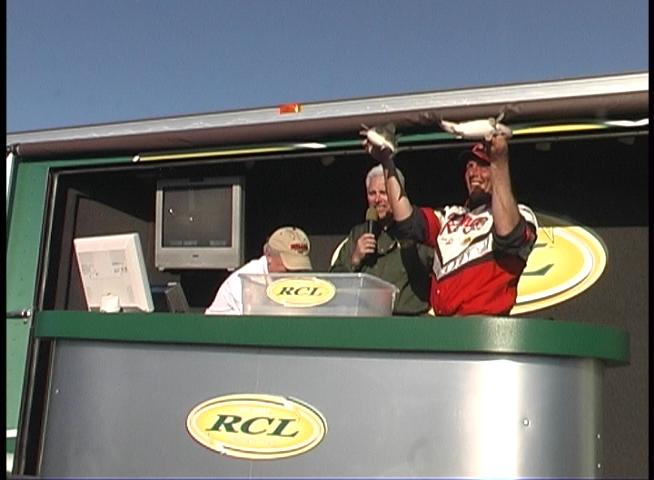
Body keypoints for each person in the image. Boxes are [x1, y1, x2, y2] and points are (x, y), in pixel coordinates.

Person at [364, 131, 537, 316]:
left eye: (483, 165)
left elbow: (508, 236)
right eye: (470, 166)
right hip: (446, 325)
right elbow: (407, 221)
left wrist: (498, 161)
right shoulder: (450, 215)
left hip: (484, 323)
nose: (473, 173)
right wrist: (386, 162)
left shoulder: (521, 214)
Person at [330, 164, 433, 315]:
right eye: (372, 193)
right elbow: (333, 282)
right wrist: (355, 259)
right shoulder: (359, 233)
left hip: (408, 319)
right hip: (367, 319)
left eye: (384, 193)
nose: (377, 199)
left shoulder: (416, 230)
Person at [205, 226, 312, 315]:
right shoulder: (245, 281)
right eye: (288, 267)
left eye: (299, 268)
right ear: (269, 255)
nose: (294, 274)